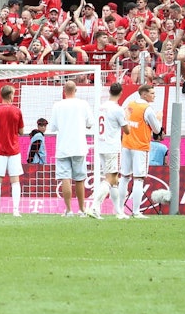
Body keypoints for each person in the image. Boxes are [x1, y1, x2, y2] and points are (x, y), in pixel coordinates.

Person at [50, 80, 93, 216]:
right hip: (79, 146)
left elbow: (53, 127)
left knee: (65, 178)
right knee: (80, 178)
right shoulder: (83, 104)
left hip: (63, 146)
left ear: (64, 91)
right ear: (76, 90)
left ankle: (68, 210)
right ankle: (82, 209)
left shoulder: (57, 106)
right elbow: (90, 123)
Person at [119, 84, 162, 220]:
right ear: (144, 94)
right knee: (138, 179)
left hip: (126, 144)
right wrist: (158, 118)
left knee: (124, 177)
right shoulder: (147, 109)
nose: (154, 95)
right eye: (152, 93)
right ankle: (136, 211)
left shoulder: (129, 104)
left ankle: (120, 210)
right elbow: (156, 130)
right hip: (140, 146)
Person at [87, 82, 128, 219]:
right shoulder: (118, 109)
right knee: (110, 179)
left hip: (101, 145)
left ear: (109, 92)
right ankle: (94, 207)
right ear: (121, 93)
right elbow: (126, 130)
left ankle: (118, 211)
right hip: (112, 147)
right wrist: (126, 115)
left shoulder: (101, 107)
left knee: (115, 180)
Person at [0, 85, 25, 216]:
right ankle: (16, 210)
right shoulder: (17, 111)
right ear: (10, 96)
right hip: (14, 149)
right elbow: (21, 131)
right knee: (15, 180)